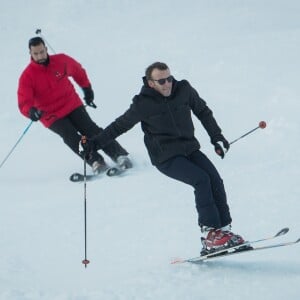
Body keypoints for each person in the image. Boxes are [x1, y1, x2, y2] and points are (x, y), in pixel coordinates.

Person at [81, 62, 245, 254]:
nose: (168, 84)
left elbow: (203, 111)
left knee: (215, 180)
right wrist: (94, 144)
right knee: (201, 180)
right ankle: (210, 236)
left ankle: (224, 232)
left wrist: (217, 137)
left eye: (169, 78)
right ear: (151, 83)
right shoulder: (143, 103)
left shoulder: (183, 89)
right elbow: (119, 126)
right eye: (161, 81)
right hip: (166, 157)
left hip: (190, 149)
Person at [17, 36, 132, 174]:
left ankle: (119, 155)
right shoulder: (27, 76)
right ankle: (96, 161)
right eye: (36, 53)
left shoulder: (60, 60)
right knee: (70, 136)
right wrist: (30, 111)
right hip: (50, 114)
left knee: (90, 129)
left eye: (42, 51)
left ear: (46, 49)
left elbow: (78, 71)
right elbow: (24, 102)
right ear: (30, 53)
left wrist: (87, 89)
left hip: (71, 103)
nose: (40, 56)